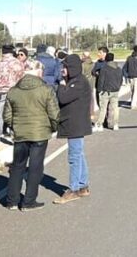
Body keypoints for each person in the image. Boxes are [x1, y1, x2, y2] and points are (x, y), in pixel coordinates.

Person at [3, 64, 58, 211]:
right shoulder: (46, 90)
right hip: (39, 133)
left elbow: (7, 116)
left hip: (20, 133)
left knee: (17, 166)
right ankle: (29, 201)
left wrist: (15, 127)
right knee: (35, 167)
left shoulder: (13, 91)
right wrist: (53, 127)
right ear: (39, 72)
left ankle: (12, 200)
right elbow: (54, 113)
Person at [53, 54, 91, 204]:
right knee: (79, 155)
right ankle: (83, 186)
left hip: (76, 124)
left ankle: (73, 189)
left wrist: (62, 84)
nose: (63, 70)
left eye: (65, 67)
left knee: (74, 156)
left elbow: (63, 98)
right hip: (74, 123)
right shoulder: (75, 81)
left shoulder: (79, 82)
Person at [0, 45, 25, 144]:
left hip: (0, 92)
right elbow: (22, 78)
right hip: (14, 92)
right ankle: (15, 137)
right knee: (14, 115)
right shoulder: (18, 63)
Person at [91, 48, 123, 129]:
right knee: (115, 108)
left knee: (103, 109)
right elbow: (121, 79)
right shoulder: (118, 68)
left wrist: (99, 90)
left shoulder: (104, 68)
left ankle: (99, 124)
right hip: (115, 91)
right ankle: (115, 124)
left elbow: (101, 80)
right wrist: (118, 87)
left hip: (105, 91)